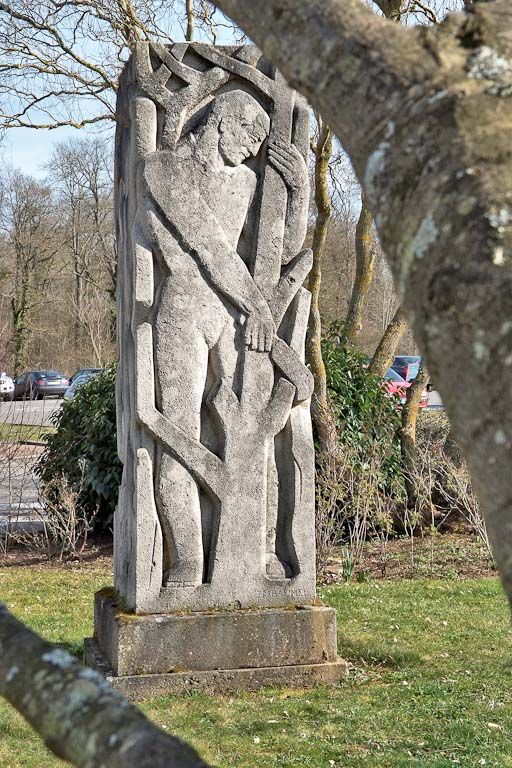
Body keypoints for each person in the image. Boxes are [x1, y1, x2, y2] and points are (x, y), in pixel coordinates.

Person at [139, 89, 307, 585]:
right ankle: (188, 559)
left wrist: (296, 194)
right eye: (249, 137)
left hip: (236, 317)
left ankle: (259, 552)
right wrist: (259, 305)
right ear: (220, 121)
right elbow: (209, 248)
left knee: (256, 431)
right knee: (180, 431)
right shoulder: (164, 169)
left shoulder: (250, 183)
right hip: (187, 309)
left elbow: (279, 248)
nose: (253, 150)